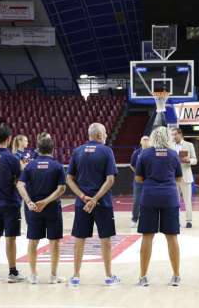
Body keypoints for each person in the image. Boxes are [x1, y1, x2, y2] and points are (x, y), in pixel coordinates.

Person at [66, 123, 120, 287]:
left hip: (81, 203)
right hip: (102, 202)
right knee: (105, 239)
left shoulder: (78, 151)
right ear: (98, 135)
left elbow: (69, 178)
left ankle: (75, 276)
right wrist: (95, 199)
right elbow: (110, 179)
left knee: (79, 238)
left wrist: (83, 196)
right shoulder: (107, 151)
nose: (106, 136)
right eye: (104, 133)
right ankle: (109, 276)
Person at [135, 127, 182, 287]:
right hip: (169, 197)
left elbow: (139, 178)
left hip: (149, 197)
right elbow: (179, 177)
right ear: (168, 137)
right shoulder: (173, 154)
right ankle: (176, 276)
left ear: (153, 137)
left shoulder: (145, 154)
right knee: (172, 236)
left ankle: (143, 277)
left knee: (147, 236)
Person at [17, 134, 66, 285]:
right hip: (52, 208)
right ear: (52, 149)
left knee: (33, 241)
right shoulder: (57, 166)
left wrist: (29, 202)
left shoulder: (30, 165)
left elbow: (19, 185)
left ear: (38, 149)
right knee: (55, 242)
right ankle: (53, 276)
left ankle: (33, 275)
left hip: (34, 209)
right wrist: (46, 201)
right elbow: (62, 188)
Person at [0, 124, 25, 283]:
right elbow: (20, 179)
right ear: (9, 139)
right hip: (10, 202)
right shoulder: (12, 158)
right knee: (10, 238)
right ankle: (12, 272)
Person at [171, 128, 197, 228]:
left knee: (187, 200)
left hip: (186, 176)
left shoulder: (189, 145)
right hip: (174, 177)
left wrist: (189, 160)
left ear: (180, 134)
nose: (173, 137)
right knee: (174, 201)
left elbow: (195, 160)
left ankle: (189, 221)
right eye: (172, 135)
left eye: (175, 134)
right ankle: (176, 220)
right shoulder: (170, 146)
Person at [130, 136, 150, 228]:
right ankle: (134, 219)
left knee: (150, 201)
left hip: (150, 180)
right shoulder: (136, 152)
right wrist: (138, 174)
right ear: (140, 141)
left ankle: (148, 219)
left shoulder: (152, 152)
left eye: (147, 140)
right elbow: (132, 165)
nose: (146, 141)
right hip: (138, 181)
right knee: (137, 200)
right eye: (144, 140)